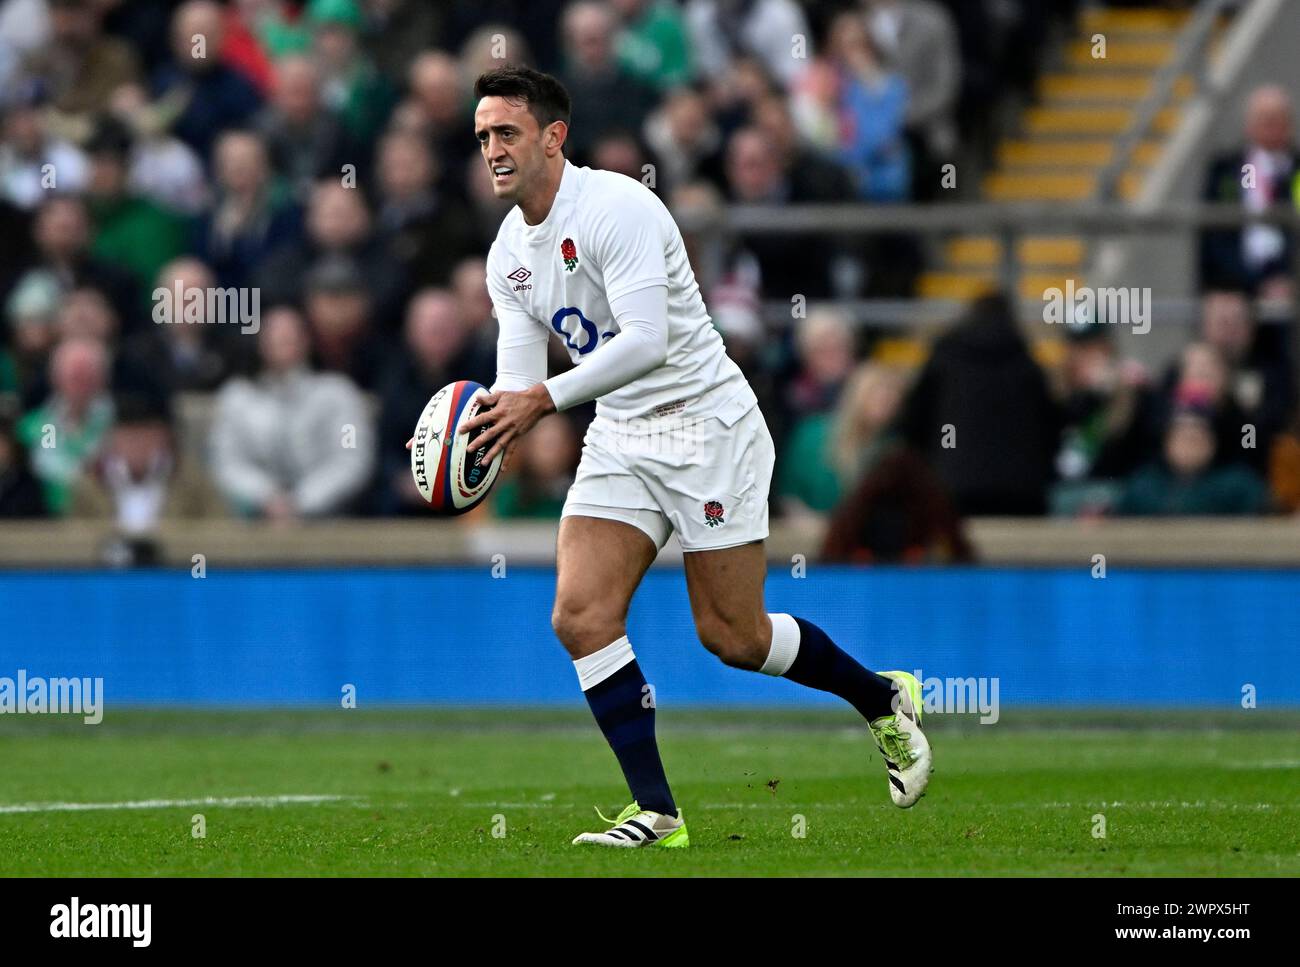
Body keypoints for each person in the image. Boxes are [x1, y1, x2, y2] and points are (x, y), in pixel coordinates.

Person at [409, 65, 933, 849]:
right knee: (579, 613)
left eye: (507, 132)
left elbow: (647, 343)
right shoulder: (507, 255)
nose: (492, 149)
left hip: (704, 427)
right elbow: (518, 380)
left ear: (554, 137)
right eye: (483, 135)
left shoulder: (618, 206)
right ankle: (657, 811)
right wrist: (484, 433)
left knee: (733, 636)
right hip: (621, 431)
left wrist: (543, 401)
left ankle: (881, 698)